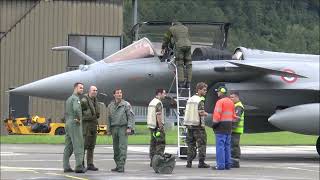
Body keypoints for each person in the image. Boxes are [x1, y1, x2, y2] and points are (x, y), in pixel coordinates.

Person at [106, 88, 135, 173]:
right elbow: (109, 118)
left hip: (123, 128)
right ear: (114, 95)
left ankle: (121, 166)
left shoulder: (126, 104)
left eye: (120, 93)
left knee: (122, 147)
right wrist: (108, 130)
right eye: (117, 93)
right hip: (114, 128)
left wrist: (129, 127)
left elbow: (130, 116)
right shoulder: (110, 105)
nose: (119, 94)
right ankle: (117, 165)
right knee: (115, 148)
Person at [184, 82, 210, 168]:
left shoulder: (190, 99)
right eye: (204, 90)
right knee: (201, 144)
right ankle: (201, 163)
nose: (205, 91)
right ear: (199, 90)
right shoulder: (200, 100)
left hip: (189, 125)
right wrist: (207, 114)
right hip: (198, 126)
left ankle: (189, 162)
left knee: (191, 144)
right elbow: (201, 112)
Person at [63, 82, 86, 173]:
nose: (82, 90)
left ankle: (66, 166)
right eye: (80, 88)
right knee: (78, 144)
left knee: (68, 145)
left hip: (68, 123)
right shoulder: (76, 99)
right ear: (75, 88)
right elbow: (76, 109)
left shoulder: (69, 99)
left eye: (82, 88)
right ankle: (79, 166)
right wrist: (78, 118)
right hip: (75, 123)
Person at [161, 20, 192, 88]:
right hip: (188, 46)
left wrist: (163, 47)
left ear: (173, 24)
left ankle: (181, 82)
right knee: (188, 63)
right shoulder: (185, 28)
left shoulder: (171, 29)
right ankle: (188, 82)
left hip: (180, 46)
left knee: (179, 63)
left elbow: (166, 39)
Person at [212, 86, 235, 170]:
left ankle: (220, 165)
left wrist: (214, 124)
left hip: (220, 126)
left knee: (220, 146)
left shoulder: (220, 102)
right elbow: (233, 116)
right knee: (227, 146)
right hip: (229, 126)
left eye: (218, 91)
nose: (217, 93)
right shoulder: (231, 102)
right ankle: (227, 164)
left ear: (221, 92)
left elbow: (217, 115)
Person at [80, 86, 100, 171]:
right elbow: (79, 114)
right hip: (86, 126)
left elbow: (97, 114)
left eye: (96, 90)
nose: (95, 92)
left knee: (91, 146)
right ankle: (81, 163)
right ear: (89, 91)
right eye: (93, 90)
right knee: (84, 145)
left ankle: (90, 164)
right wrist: (89, 117)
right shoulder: (84, 101)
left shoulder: (95, 100)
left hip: (93, 126)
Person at [147, 88, 167, 167]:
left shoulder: (152, 102)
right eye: (164, 93)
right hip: (157, 127)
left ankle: (152, 161)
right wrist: (161, 126)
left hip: (151, 126)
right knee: (160, 144)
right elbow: (158, 115)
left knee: (153, 144)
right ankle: (158, 162)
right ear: (159, 93)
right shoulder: (158, 103)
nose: (165, 95)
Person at [229, 91, 245, 168]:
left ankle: (235, 162)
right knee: (233, 145)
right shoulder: (235, 105)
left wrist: (232, 128)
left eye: (232, 97)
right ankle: (233, 161)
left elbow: (236, 119)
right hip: (235, 130)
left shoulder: (238, 106)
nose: (231, 99)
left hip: (236, 130)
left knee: (234, 145)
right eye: (230, 97)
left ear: (237, 97)